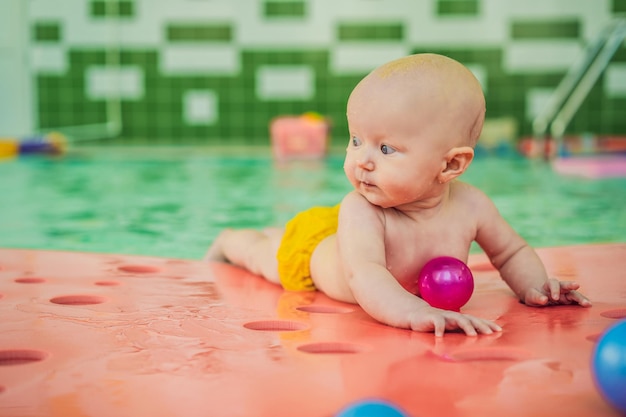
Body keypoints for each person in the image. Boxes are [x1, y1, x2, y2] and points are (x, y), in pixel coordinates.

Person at [205, 53, 591, 337]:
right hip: (313, 255)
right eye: (356, 140)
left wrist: (535, 287)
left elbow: (511, 252)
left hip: (340, 236)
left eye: (385, 149)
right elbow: (366, 275)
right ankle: (231, 239)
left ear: (451, 166)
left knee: (281, 238)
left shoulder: (472, 205)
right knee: (263, 257)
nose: (362, 161)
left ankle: (267, 232)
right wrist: (411, 312)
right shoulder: (361, 207)